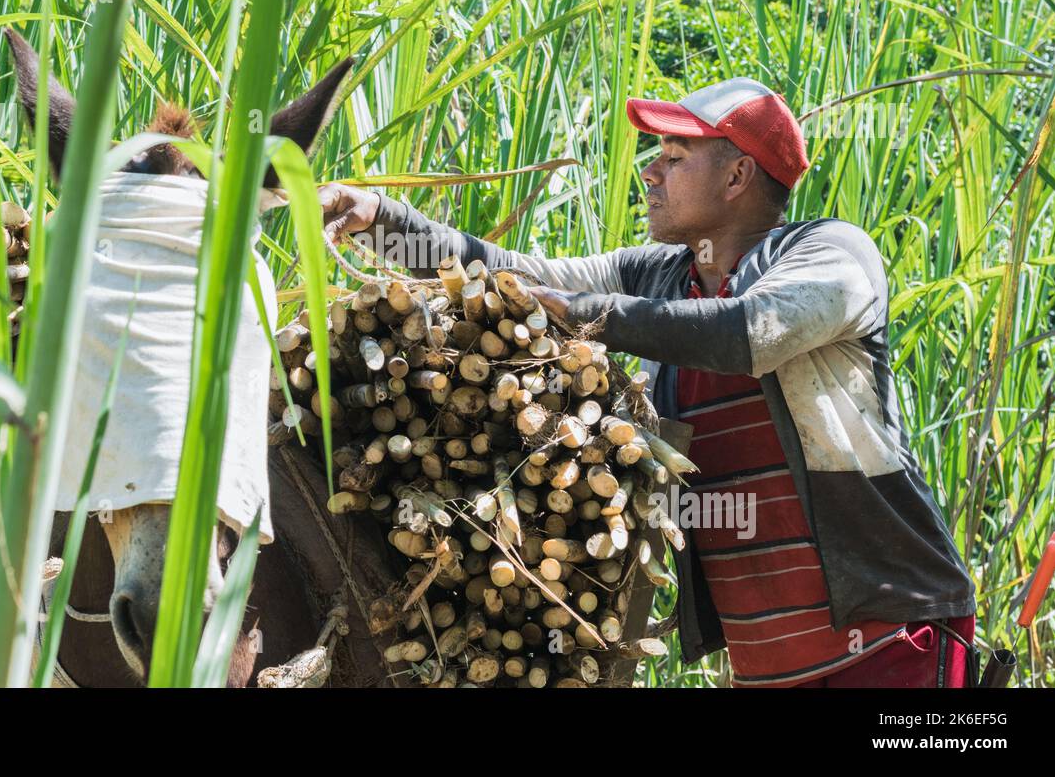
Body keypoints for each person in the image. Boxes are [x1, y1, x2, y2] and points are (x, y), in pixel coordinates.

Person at [318, 76, 978, 687]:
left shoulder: (831, 254)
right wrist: (379, 219)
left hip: (892, 644)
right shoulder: (659, 277)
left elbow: (747, 334)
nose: (650, 171)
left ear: (738, 175)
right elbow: (509, 273)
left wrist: (585, 314)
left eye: (675, 156)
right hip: (766, 666)